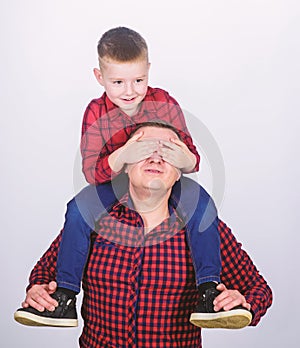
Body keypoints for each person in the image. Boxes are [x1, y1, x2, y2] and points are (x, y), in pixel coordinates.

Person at [15, 27, 244, 329]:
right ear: (99, 77)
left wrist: (179, 157)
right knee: (78, 209)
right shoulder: (96, 113)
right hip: (113, 181)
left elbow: (191, 159)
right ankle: (66, 296)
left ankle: (208, 289)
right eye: (118, 82)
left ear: (149, 70)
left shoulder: (164, 101)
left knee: (201, 202)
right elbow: (92, 173)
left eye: (138, 80)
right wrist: (125, 153)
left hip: (165, 180)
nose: (129, 91)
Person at [14, 123, 272, 348]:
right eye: (144, 149)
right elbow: (44, 274)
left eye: (169, 152)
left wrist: (243, 303)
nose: (156, 158)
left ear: (180, 171)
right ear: (124, 165)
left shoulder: (204, 229)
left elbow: (259, 290)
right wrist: (39, 291)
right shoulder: (89, 220)